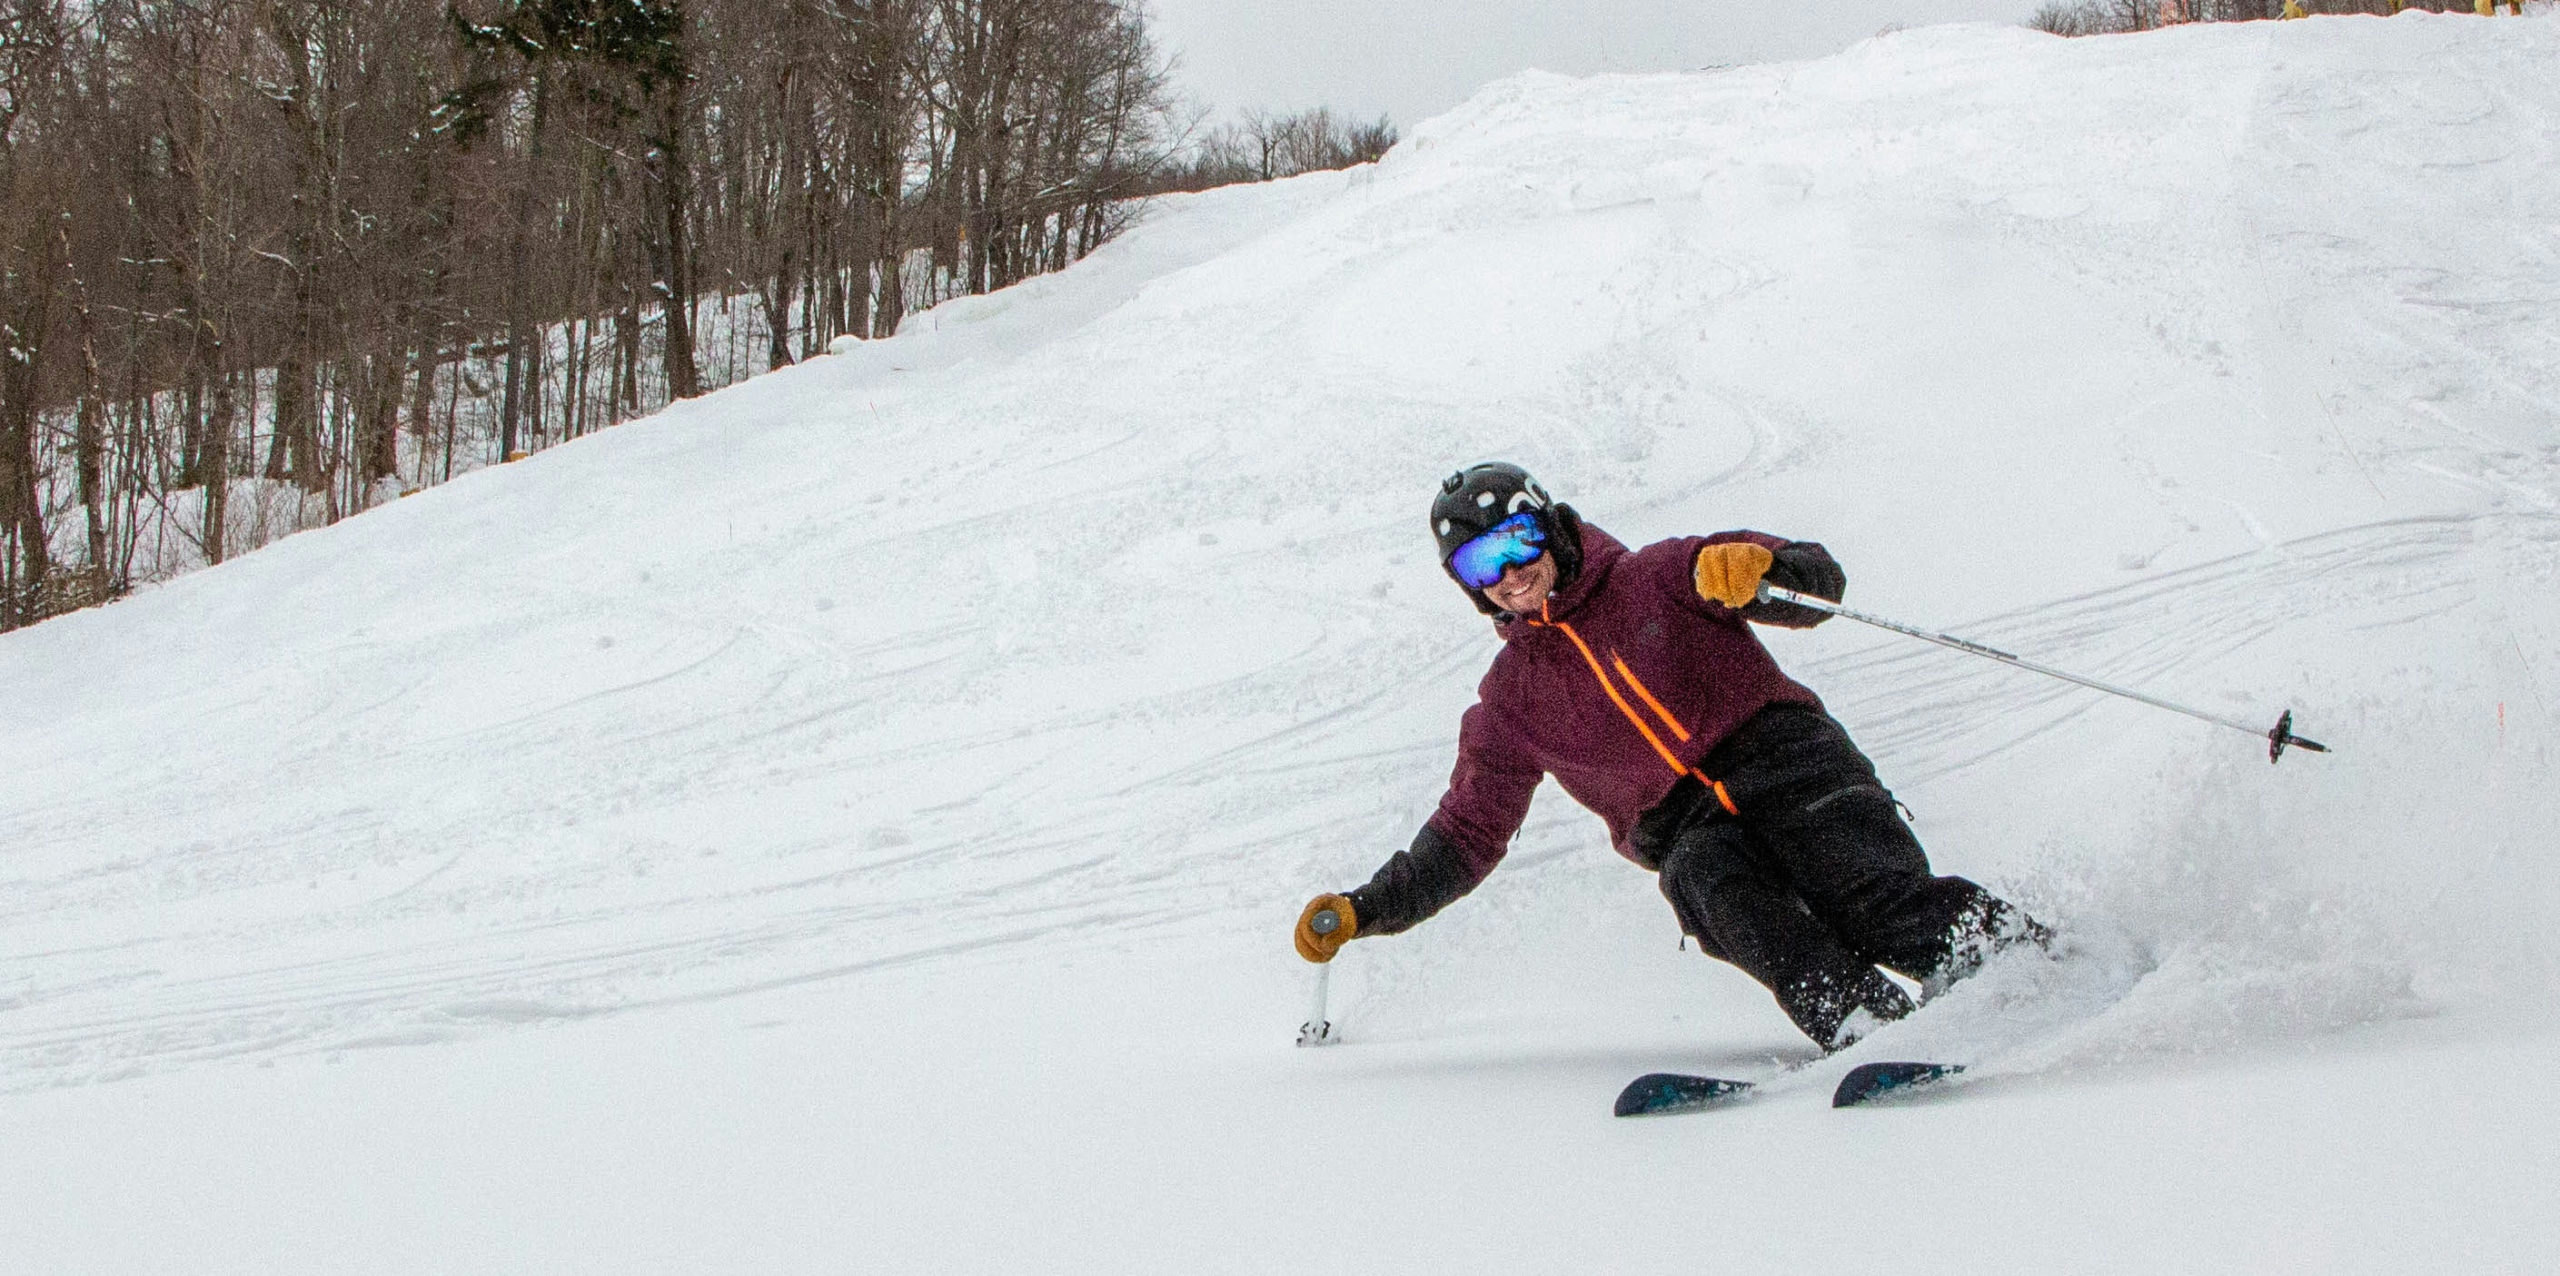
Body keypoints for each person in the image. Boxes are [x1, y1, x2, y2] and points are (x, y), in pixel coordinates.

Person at [1293, 463, 2046, 1050]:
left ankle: (2033, 962)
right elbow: (1463, 838)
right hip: (1687, 828)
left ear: (1549, 528)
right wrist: (1366, 910)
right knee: (1701, 879)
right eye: (1480, 567)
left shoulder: (1658, 576)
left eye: (1517, 543)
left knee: (1866, 901)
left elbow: (1812, 580)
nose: (1511, 575)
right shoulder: (1509, 702)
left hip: (1787, 764)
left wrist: (1766, 574)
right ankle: (1857, 1018)